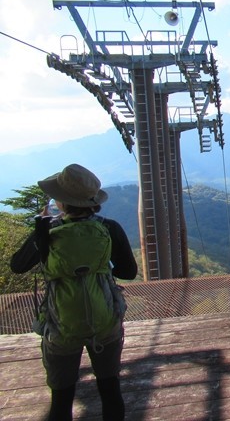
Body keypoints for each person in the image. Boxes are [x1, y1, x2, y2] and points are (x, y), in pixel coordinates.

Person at [10, 163, 138, 421]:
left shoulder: (48, 231)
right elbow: (128, 272)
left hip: (60, 325)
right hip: (105, 320)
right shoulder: (109, 228)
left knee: (62, 398)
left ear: (62, 202)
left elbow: (18, 266)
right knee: (110, 390)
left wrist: (40, 230)